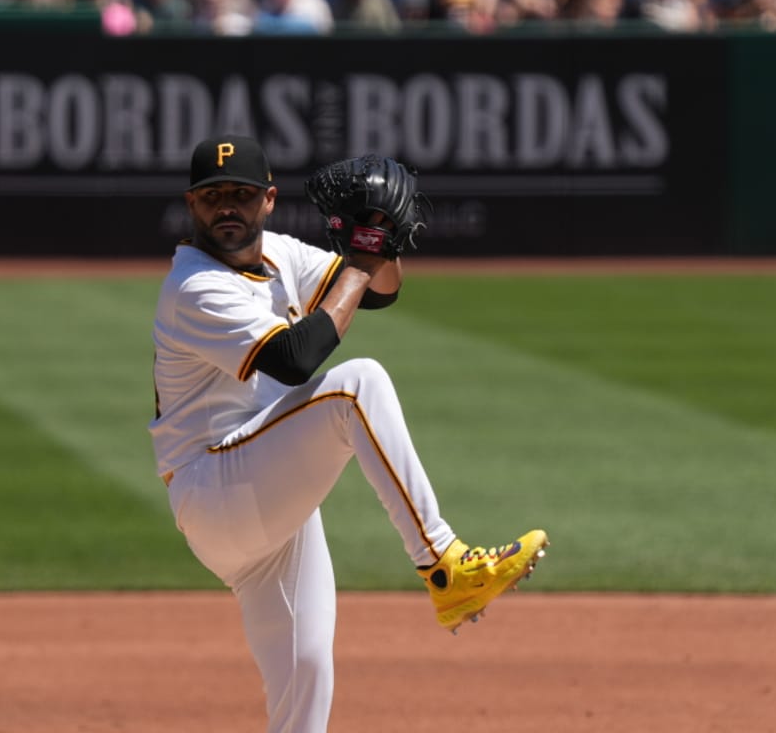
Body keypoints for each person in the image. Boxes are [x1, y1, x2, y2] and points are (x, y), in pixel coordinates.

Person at [150, 134, 549, 733]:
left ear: (268, 200)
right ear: (191, 204)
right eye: (212, 196)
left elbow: (379, 291)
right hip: (215, 491)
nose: (226, 206)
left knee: (306, 672)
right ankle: (443, 563)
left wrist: (379, 239)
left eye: (241, 194)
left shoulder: (279, 254)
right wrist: (362, 259)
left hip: (262, 489)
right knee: (356, 385)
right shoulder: (194, 285)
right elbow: (295, 359)